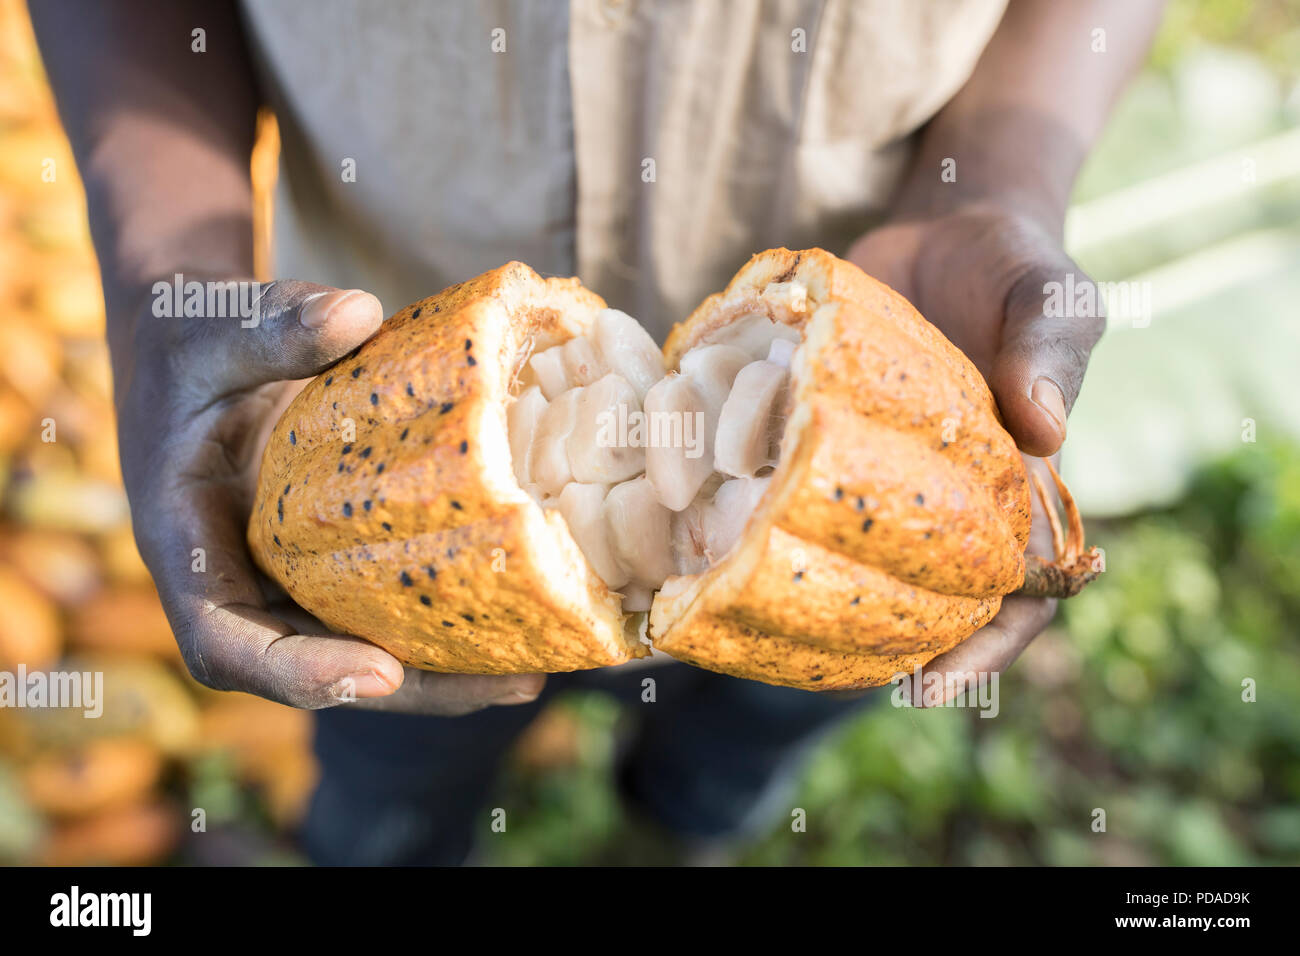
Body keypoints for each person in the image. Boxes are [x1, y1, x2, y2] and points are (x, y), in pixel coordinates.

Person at [31, 0, 1163, 864]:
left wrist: (989, 186)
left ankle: (677, 834)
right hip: (366, 427)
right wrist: (168, 274)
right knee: (386, 775)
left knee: (736, 758)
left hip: (888, 397)